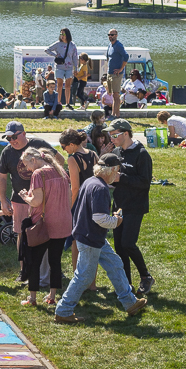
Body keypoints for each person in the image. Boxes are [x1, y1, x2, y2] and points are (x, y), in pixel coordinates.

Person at [54, 154, 149, 323]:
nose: (118, 174)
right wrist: (117, 221)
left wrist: (109, 217)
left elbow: (94, 214)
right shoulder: (101, 188)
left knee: (115, 263)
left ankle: (130, 303)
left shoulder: (91, 181)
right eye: (117, 170)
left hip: (90, 236)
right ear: (111, 170)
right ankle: (63, 310)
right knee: (83, 277)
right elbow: (99, 219)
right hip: (91, 239)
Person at [0, 121, 55, 282]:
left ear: (23, 133)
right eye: (8, 138)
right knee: (21, 234)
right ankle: (24, 271)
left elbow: (59, 160)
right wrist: (3, 200)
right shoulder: (7, 152)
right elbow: (1, 177)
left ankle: (50, 269)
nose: (12, 141)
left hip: (43, 199)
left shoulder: (38, 144)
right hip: (20, 200)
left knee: (45, 232)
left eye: (14, 137)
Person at [18, 147, 72, 306]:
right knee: (55, 261)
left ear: (34, 160)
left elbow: (36, 201)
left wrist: (24, 197)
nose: (27, 169)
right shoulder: (60, 170)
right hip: (63, 222)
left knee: (34, 261)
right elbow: (69, 198)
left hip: (44, 224)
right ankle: (52, 296)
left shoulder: (38, 174)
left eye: (27, 165)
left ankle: (32, 298)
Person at [106, 119, 155, 295]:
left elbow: (145, 182)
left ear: (126, 134)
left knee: (128, 243)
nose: (111, 138)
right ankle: (126, 284)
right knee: (119, 246)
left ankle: (146, 276)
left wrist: (122, 179)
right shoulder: (117, 152)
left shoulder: (141, 154)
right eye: (110, 135)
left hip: (135, 206)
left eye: (114, 135)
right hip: (119, 205)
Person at [61, 128, 99, 289]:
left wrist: (68, 209)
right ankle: (92, 283)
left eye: (63, 147)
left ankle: (78, 282)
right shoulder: (92, 153)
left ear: (71, 144)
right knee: (93, 243)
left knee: (77, 242)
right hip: (95, 200)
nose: (63, 150)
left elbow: (75, 188)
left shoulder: (73, 158)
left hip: (81, 203)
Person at [45, 29, 77, 108]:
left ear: (67, 35)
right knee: (59, 85)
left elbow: (75, 57)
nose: (62, 36)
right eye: (61, 34)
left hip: (69, 67)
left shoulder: (72, 45)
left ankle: (67, 103)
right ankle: (58, 102)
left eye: (64, 34)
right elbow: (47, 50)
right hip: (59, 67)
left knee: (68, 86)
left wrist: (76, 68)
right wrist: (55, 55)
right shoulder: (58, 44)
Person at [105, 28, 128, 118]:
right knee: (111, 94)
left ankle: (116, 115)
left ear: (116, 36)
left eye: (112, 35)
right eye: (109, 35)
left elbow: (126, 56)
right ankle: (113, 114)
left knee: (116, 94)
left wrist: (120, 69)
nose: (110, 36)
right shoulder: (110, 45)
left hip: (117, 74)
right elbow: (108, 58)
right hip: (110, 73)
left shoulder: (119, 45)